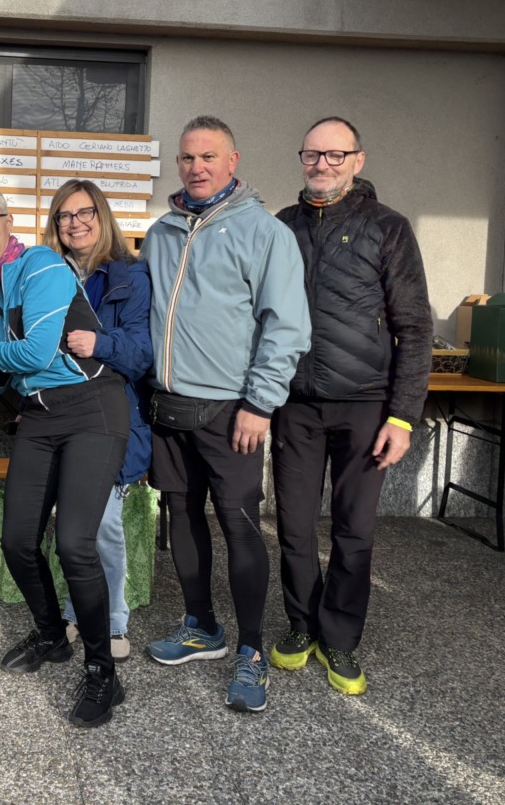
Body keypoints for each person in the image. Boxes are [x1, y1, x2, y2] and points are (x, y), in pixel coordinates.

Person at [141, 116, 309, 714]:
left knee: (239, 526)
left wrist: (260, 404)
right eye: (188, 158)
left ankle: (251, 650)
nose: (197, 168)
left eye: (209, 157)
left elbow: (286, 327)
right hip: (168, 408)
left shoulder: (265, 233)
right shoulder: (161, 231)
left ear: (232, 161)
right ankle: (201, 627)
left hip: (231, 410)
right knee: (182, 517)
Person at [0, 180, 131, 729]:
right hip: (38, 415)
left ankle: (103, 671)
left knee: (76, 543)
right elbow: (11, 372)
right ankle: (53, 634)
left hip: (91, 409)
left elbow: (33, 352)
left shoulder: (41, 266)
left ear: (8, 221)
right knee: (16, 540)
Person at [267, 116, 432, 696]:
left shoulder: (388, 227)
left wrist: (403, 416)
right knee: (292, 525)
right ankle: (301, 624)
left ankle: (338, 635)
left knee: (353, 530)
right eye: (312, 154)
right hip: (295, 403)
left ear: (358, 161)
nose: (322, 164)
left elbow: (415, 328)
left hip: (365, 406)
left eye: (335, 154)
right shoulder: (282, 227)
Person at [42, 179, 153, 662]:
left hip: (110, 419)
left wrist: (99, 343)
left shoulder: (130, 275)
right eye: (65, 215)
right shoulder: (48, 274)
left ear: (101, 215)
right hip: (59, 417)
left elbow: (143, 353)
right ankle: (76, 610)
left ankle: (112, 621)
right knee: (73, 526)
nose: (75, 223)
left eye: (84, 212)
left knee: (101, 524)